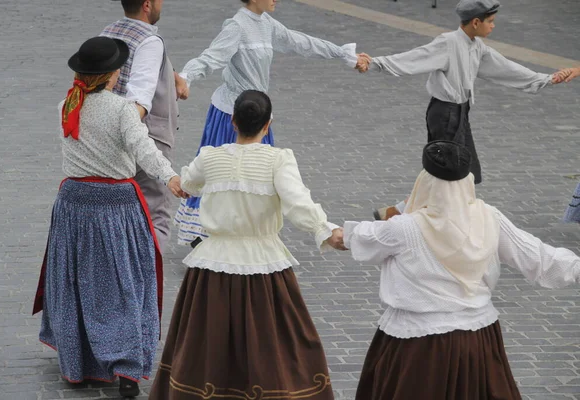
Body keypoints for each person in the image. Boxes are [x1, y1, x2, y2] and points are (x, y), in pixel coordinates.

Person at [342, 140, 580, 400]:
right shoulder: (490, 218)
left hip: (418, 345)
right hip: (477, 341)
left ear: (424, 182)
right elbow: (539, 258)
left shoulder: (403, 228)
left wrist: (324, 229)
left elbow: (353, 238)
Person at [149, 90, 346, 400]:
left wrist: (179, 182)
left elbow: (188, 183)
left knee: (206, 343)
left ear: (233, 121)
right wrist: (327, 230)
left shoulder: (210, 157)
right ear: (268, 125)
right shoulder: (278, 160)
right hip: (263, 263)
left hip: (213, 265)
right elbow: (298, 203)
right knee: (271, 341)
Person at [32, 37, 186, 398]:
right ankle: (127, 369)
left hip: (73, 205)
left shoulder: (65, 105)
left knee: (78, 281)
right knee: (125, 284)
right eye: (118, 69)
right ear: (109, 76)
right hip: (116, 208)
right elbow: (143, 149)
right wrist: (171, 178)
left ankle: (81, 363)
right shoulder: (121, 110)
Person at [173, 0, 369, 248]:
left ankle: (249, 227)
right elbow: (211, 57)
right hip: (232, 114)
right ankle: (206, 230)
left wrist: (343, 54)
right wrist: (186, 77)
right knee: (222, 173)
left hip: (258, 111)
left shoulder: (266, 23)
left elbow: (301, 42)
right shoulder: (237, 26)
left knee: (260, 174)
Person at [357, 0, 567, 220]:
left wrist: (547, 79)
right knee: (448, 173)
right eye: (491, 21)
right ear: (476, 22)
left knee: (463, 172)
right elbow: (414, 58)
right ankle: (412, 214)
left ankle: (401, 211)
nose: (493, 26)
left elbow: (506, 68)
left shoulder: (477, 46)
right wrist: (374, 63)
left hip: (460, 113)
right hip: (444, 113)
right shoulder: (448, 43)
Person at [101, 0, 182, 250]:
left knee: (117, 213)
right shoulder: (149, 41)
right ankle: (143, 279)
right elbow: (139, 100)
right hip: (146, 137)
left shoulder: (107, 32)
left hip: (107, 139)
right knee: (155, 215)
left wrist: (173, 76)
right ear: (147, 4)